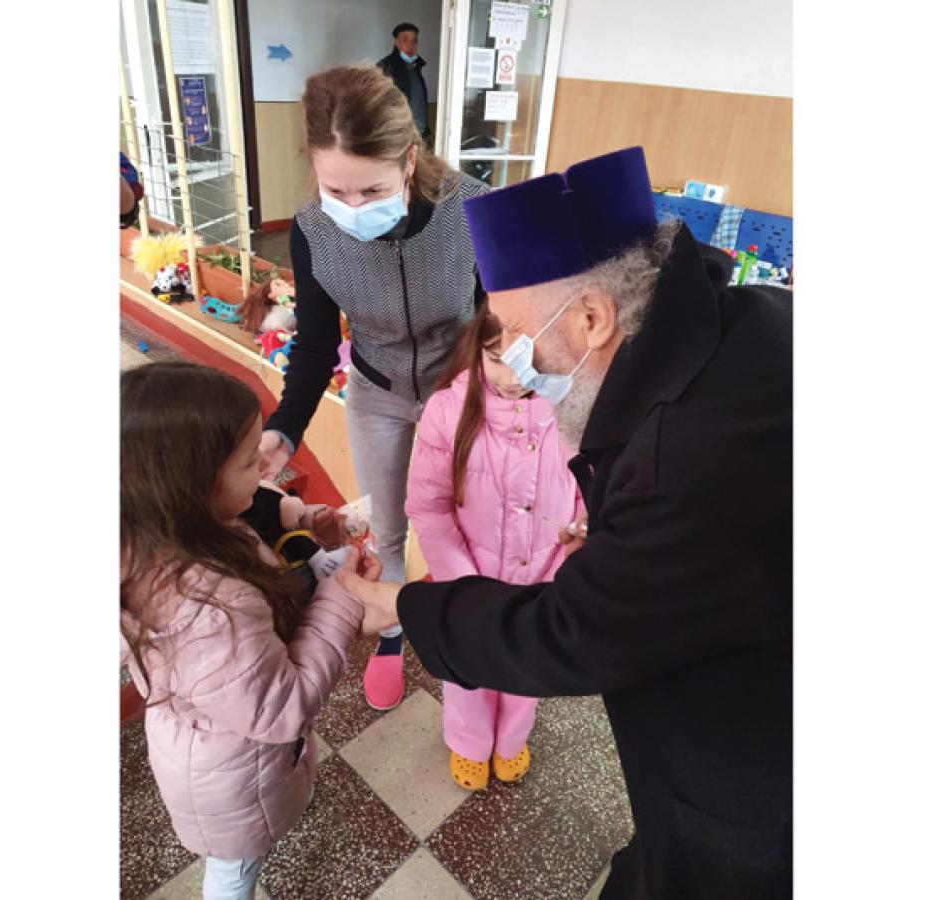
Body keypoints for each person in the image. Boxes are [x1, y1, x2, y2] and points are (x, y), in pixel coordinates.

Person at [337, 147, 792, 899]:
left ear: (591, 318)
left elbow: (570, 635)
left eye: (513, 331)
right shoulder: (747, 323)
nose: (510, 359)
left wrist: (402, 604)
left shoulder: (682, 454)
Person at [258, 64, 488, 712]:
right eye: (337, 189)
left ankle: (467, 638)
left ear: (409, 159)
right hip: (377, 391)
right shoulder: (313, 229)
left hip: (458, 391)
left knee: (465, 523)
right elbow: (313, 344)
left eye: (373, 189)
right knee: (387, 530)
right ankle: (391, 631)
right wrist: (284, 429)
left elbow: (497, 317)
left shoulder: (471, 208)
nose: (355, 208)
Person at [120, 362, 374, 900]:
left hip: (226, 751)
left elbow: (257, 505)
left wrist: (306, 519)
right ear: (193, 485)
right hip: (233, 781)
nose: (264, 465)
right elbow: (282, 708)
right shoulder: (209, 611)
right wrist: (343, 594)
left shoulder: (165, 530)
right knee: (234, 871)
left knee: (262, 817)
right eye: (246, 460)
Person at [404, 304, 582, 790]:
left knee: (530, 666)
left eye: (527, 362)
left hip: (546, 575)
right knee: (468, 672)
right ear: (476, 350)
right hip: (471, 576)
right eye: (496, 358)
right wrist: (462, 583)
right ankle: (469, 742)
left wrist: (579, 540)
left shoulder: (573, 407)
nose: (511, 378)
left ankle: (512, 739)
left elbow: (589, 487)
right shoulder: (448, 409)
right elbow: (428, 507)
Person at [377, 23, 431, 147]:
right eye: (405, 40)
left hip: (420, 135)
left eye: (414, 41)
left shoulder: (416, 67)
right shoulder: (385, 67)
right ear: (396, 42)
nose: (410, 45)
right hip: (398, 138)